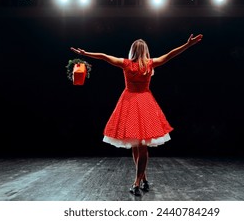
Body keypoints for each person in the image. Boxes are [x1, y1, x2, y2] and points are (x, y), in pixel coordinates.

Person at [70, 33, 203, 196]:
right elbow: (170, 55)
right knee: (138, 144)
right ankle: (143, 179)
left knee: (140, 145)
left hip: (130, 102)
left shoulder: (126, 63)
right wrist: (188, 44)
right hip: (144, 102)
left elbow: (104, 57)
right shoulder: (150, 64)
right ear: (145, 51)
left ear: (132, 51)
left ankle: (137, 183)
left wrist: (85, 54)